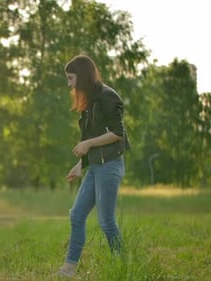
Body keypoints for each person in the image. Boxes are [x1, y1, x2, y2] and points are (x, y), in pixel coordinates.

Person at [57, 54, 131, 278]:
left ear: (82, 76)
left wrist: (87, 144)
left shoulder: (108, 97)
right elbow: (93, 138)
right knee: (76, 214)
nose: (69, 84)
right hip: (96, 166)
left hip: (110, 166)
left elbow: (117, 134)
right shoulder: (88, 102)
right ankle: (70, 267)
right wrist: (81, 164)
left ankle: (122, 266)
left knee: (106, 221)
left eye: (71, 79)